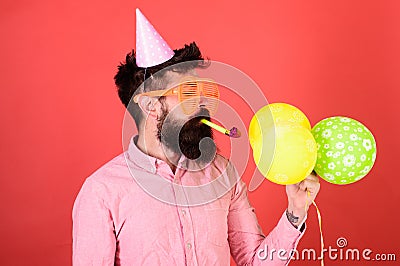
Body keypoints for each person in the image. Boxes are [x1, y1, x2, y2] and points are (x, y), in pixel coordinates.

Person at [72, 9, 320, 266]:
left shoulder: (222, 173)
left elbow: (254, 261)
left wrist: (295, 210)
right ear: (150, 106)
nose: (203, 101)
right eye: (189, 91)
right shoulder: (101, 191)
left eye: (204, 90)